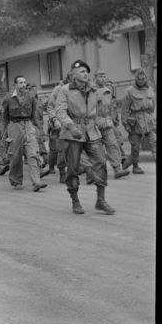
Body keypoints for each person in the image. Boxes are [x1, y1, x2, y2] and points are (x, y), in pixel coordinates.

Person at [55, 60, 114, 215]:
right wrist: (71, 127)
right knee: (73, 168)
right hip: (72, 133)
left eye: (87, 71)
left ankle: (101, 200)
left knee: (101, 162)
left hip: (92, 130)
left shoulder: (94, 89)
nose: (85, 74)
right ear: (73, 74)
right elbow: (60, 112)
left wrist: (105, 122)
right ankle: (75, 201)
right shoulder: (65, 90)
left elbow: (101, 109)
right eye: (81, 71)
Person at [2, 75, 47, 192]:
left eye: (24, 82)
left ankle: (36, 181)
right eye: (20, 83)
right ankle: (16, 180)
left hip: (28, 125)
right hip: (14, 126)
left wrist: (38, 129)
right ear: (15, 85)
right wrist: (5, 133)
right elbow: (5, 117)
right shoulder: (8, 99)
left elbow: (34, 115)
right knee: (15, 155)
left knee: (33, 153)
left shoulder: (31, 97)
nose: (23, 85)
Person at [94, 69, 130, 179]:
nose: (103, 78)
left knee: (113, 145)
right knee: (96, 149)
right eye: (100, 76)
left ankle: (117, 169)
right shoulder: (90, 90)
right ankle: (97, 172)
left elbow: (109, 108)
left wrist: (111, 120)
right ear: (95, 78)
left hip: (107, 123)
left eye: (104, 76)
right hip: (94, 124)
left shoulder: (108, 91)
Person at [121, 67, 156, 175]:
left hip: (148, 120)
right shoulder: (129, 90)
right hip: (135, 121)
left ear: (146, 78)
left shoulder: (150, 89)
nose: (141, 80)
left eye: (143, 78)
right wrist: (126, 124)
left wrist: (152, 118)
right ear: (136, 78)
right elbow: (125, 109)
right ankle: (134, 166)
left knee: (154, 142)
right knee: (135, 146)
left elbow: (152, 106)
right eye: (139, 78)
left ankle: (130, 162)